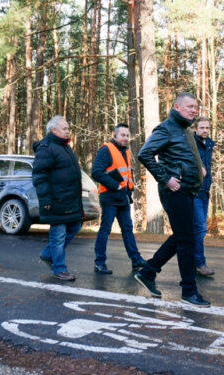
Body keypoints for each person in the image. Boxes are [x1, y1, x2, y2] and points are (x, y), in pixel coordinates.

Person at [134, 92, 210, 307]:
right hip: (175, 191)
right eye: (189, 106)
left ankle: (148, 272)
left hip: (188, 190)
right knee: (187, 240)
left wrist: (199, 168)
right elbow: (145, 153)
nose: (194, 110)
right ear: (176, 107)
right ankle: (189, 291)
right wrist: (166, 179)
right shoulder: (166, 128)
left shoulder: (185, 129)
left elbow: (183, 156)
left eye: (196, 106)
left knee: (183, 237)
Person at [32, 115, 84, 281]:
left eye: (68, 128)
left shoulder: (64, 146)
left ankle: (48, 254)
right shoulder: (46, 148)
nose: (68, 131)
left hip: (70, 200)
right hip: (56, 200)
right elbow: (39, 176)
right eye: (65, 129)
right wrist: (45, 200)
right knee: (58, 234)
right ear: (53, 130)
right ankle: (59, 268)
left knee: (75, 226)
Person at [90, 123, 147, 275]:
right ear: (114, 136)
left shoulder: (126, 152)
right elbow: (96, 172)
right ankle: (99, 262)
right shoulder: (106, 150)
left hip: (123, 197)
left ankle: (136, 259)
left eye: (127, 135)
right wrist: (115, 185)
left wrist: (129, 189)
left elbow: (126, 173)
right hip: (110, 197)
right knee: (105, 230)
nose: (125, 138)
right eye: (122, 135)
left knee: (128, 229)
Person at [192, 117, 215, 277]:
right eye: (202, 128)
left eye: (207, 127)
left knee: (198, 230)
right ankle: (200, 264)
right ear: (195, 129)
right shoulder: (191, 143)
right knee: (200, 228)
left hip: (205, 191)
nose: (205, 130)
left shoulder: (209, 145)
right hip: (193, 192)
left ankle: (192, 262)